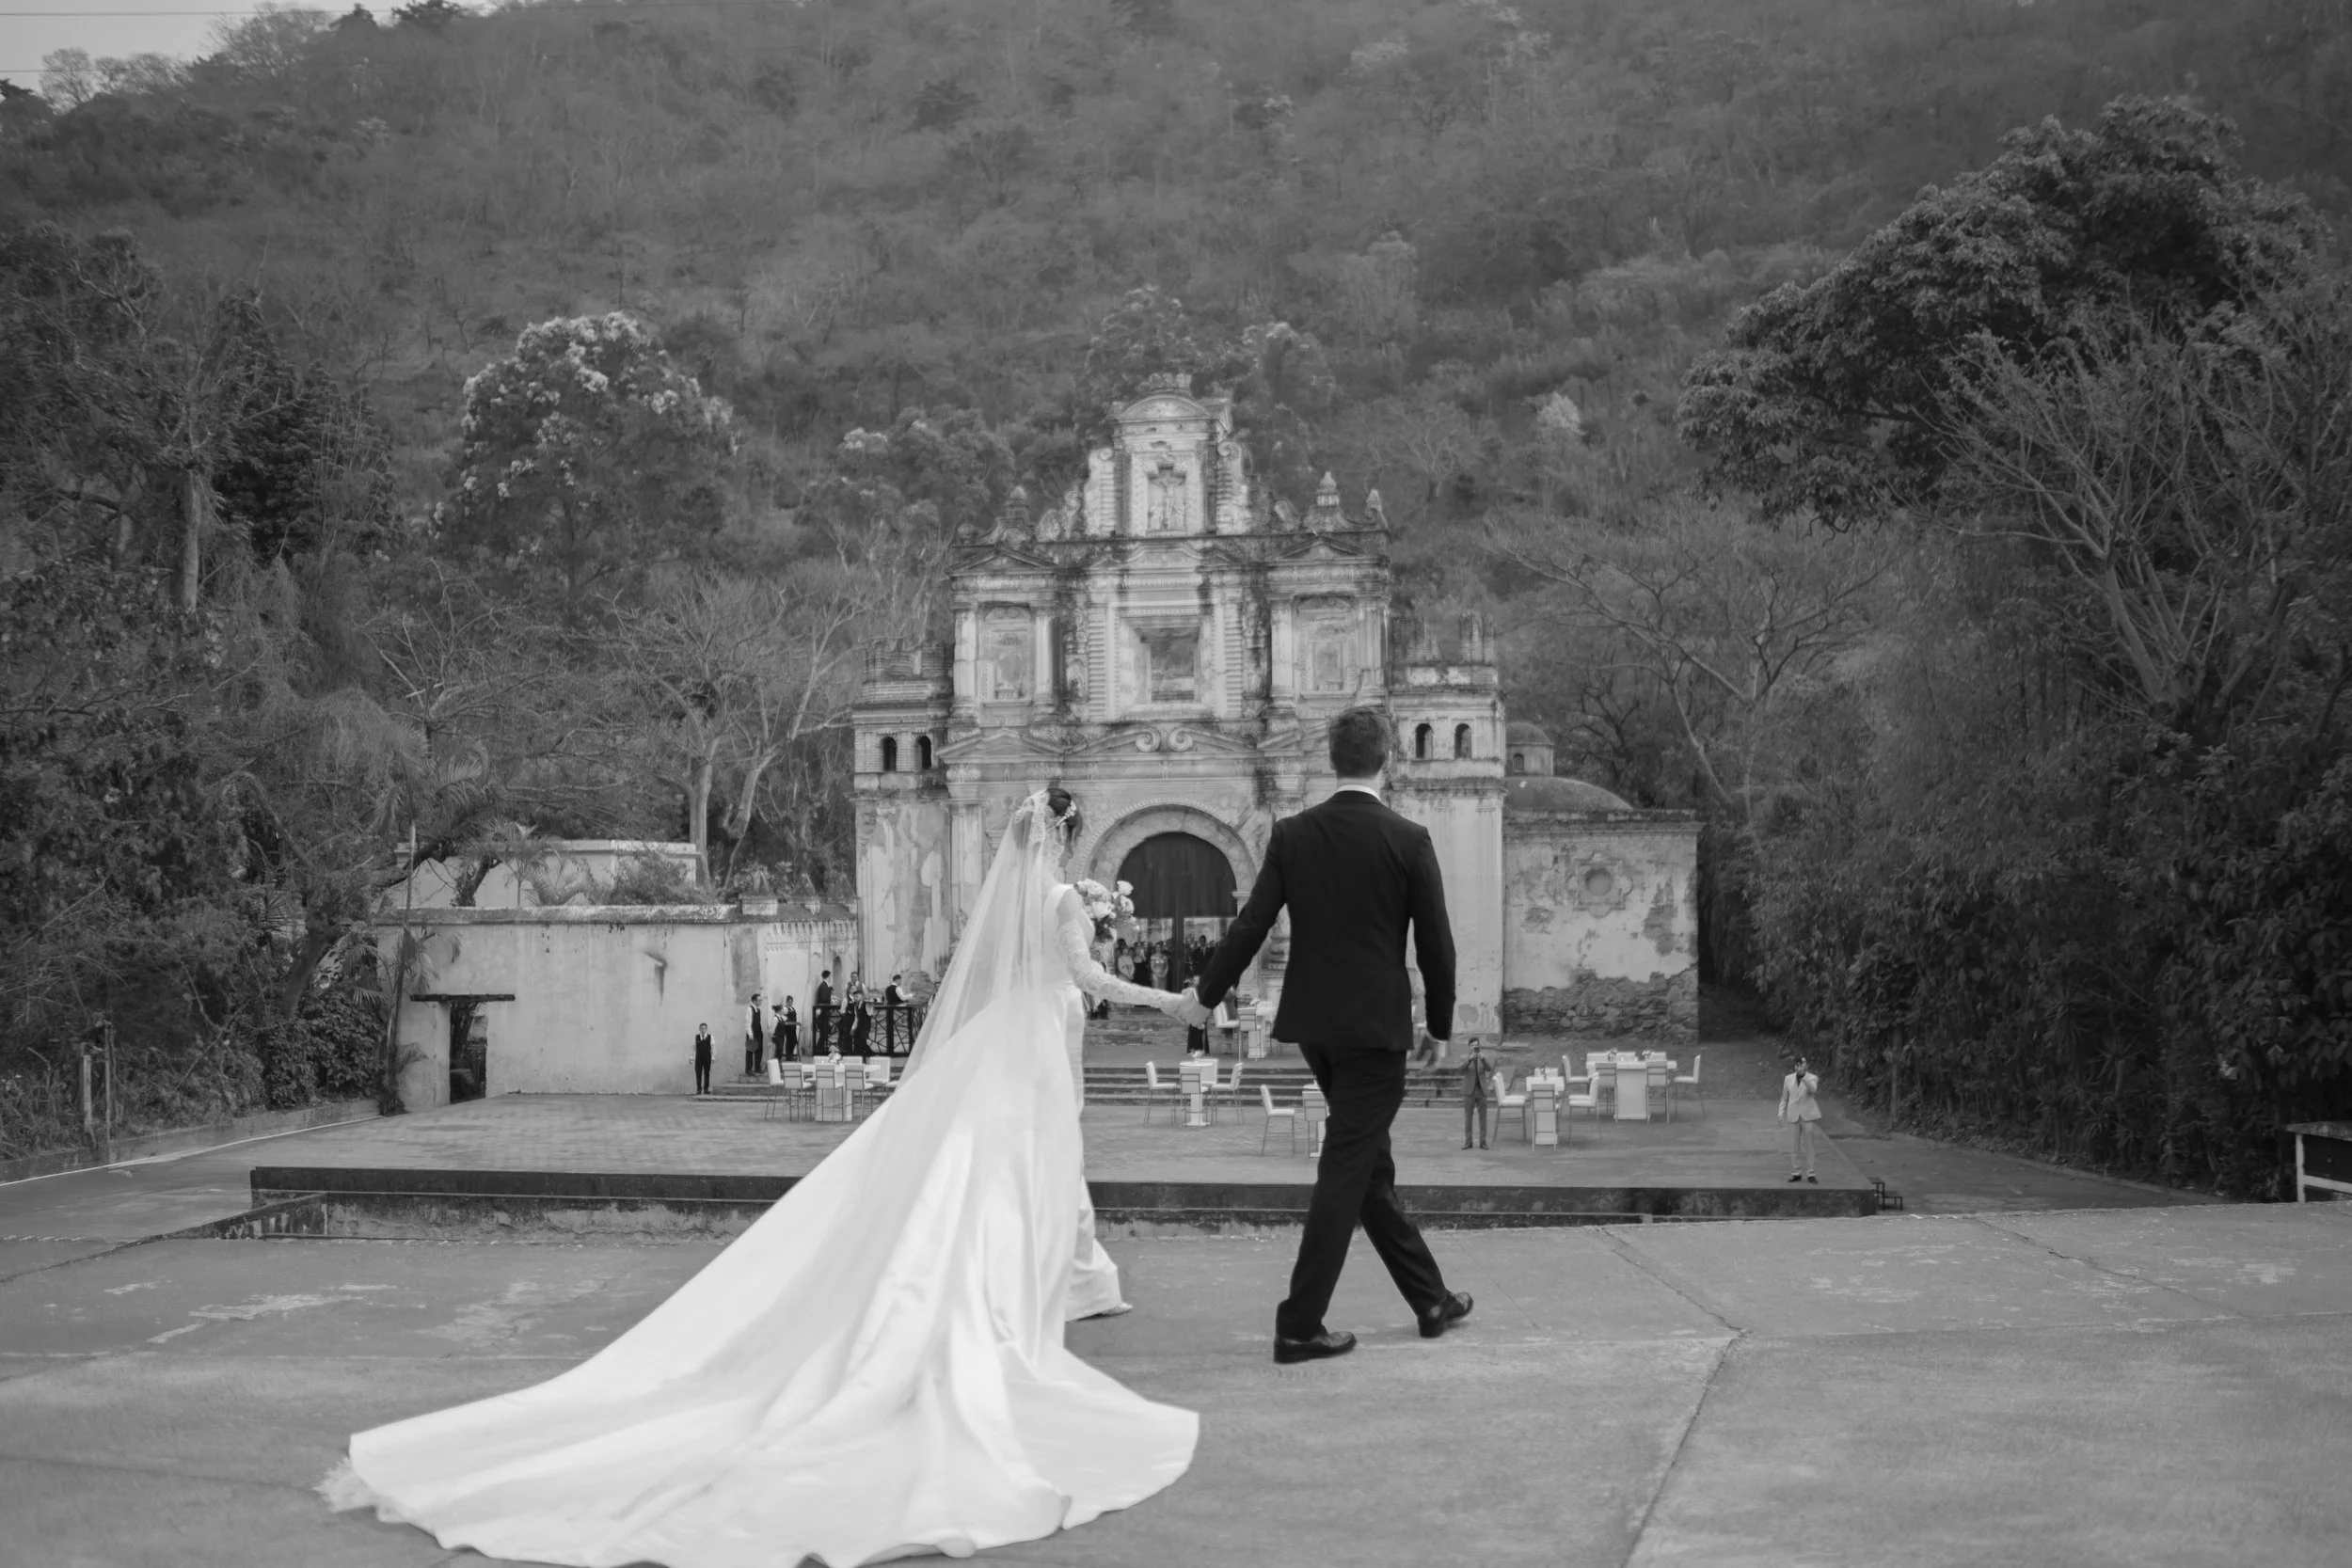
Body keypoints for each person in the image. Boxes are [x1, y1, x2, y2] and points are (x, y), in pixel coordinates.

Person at [323, 786, 1199, 1565]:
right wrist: (1170, 1000)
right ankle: (1036, 1288)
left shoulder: (1020, 902)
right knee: (1025, 1163)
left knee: (1002, 1165)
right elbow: (1083, 975)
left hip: (1013, 1036)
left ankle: (1067, 1277)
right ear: (1069, 843)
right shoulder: (1065, 903)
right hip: (1038, 1040)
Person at [1179, 705, 1472, 1365]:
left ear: (1330, 760)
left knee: (1369, 1166)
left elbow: (1251, 924)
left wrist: (1205, 995)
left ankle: (1431, 1298)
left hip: (1317, 1027)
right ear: (1387, 759)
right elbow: (1438, 946)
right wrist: (1444, 1025)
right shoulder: (1409, 837)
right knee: (1347, 1168)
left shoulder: (1293, 833)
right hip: (1376, 1029)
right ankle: (1298, 1323)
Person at [1780, 1055, 1822, 1182]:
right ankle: (1796, 1172)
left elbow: (1812, 1089)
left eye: (1803, 1063)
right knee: (1794, 1145)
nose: (1800, 1066)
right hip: (1793, 1114)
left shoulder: (1812, 1078)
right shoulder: (1788, 1078)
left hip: (1807, 1115)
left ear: (1807, 1065)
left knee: (1809, 1145)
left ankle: (1811, 1173)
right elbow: (1784, 1098)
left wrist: (1803, 1077)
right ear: (1795, 1066)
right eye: (1798, 1064)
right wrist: (1780, 1112)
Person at [1459, 1038, 1495, 1149]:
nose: (1474, 1047)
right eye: (1472, 1045)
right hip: (1469, 1092)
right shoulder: (1464, 1057)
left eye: (1476, 1045)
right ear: (1469, 1047)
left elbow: (1489, 1069)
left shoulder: (1482, 1058)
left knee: (1483, 1118)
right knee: (1468, 1117)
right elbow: (1460, 1070)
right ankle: (1468, 1142)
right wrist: (1469, 1060)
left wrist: (1484, 1060)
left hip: (1481, 1091)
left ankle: (1483, 1142)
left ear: (1479, 1047)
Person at [811, 970, 834, 1056]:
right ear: (828, 977)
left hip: (824, 1012)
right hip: (824, 1012)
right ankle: (819, 1049)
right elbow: (824, 999)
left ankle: (820, 1049)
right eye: (830, 977)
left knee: (825, 1031)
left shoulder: (824, 986)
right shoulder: (824, 986)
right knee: (824, 1032)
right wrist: (830, 994)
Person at [743, 992, 766, 1077]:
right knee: (750, 1051)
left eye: (761, 1000)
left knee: (759, 1051)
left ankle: (757, 1068)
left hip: (759, 1032)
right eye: (759, 1000)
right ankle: (748, 1069)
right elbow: (747, 1022)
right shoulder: (750, 1009)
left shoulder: (758, 1009)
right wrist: (750, 1034)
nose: (760, 1002)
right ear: (754, 1001)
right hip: (752, 1033)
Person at [691, 1022, 713, 1097]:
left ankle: (706, 1089)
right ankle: (699, 1089)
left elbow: (713, 1047)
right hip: (698, 1059)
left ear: (706, 1029)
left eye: (704, 1028)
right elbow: (693, 1048)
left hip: (707, 1058)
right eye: (701, 1028)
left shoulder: (710, 1037)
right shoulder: (696, 1037)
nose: (703, 1030)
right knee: (698, 1074)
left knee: (707, 1074)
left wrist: (713, 1057)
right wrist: (691, 1057)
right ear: (699, 1029)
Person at [774, 996, 798, 1061]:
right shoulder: (785, 1009)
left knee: (794, 1041)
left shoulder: (792, 1008)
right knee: (790, 1041)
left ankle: (791, 1054)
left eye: (791, 1002)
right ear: (786, 1002)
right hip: (788, 1027)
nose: (790, 1003)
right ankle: (788, 1056)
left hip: (793, 1026)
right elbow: (782, 1016)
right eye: (789, 1002)